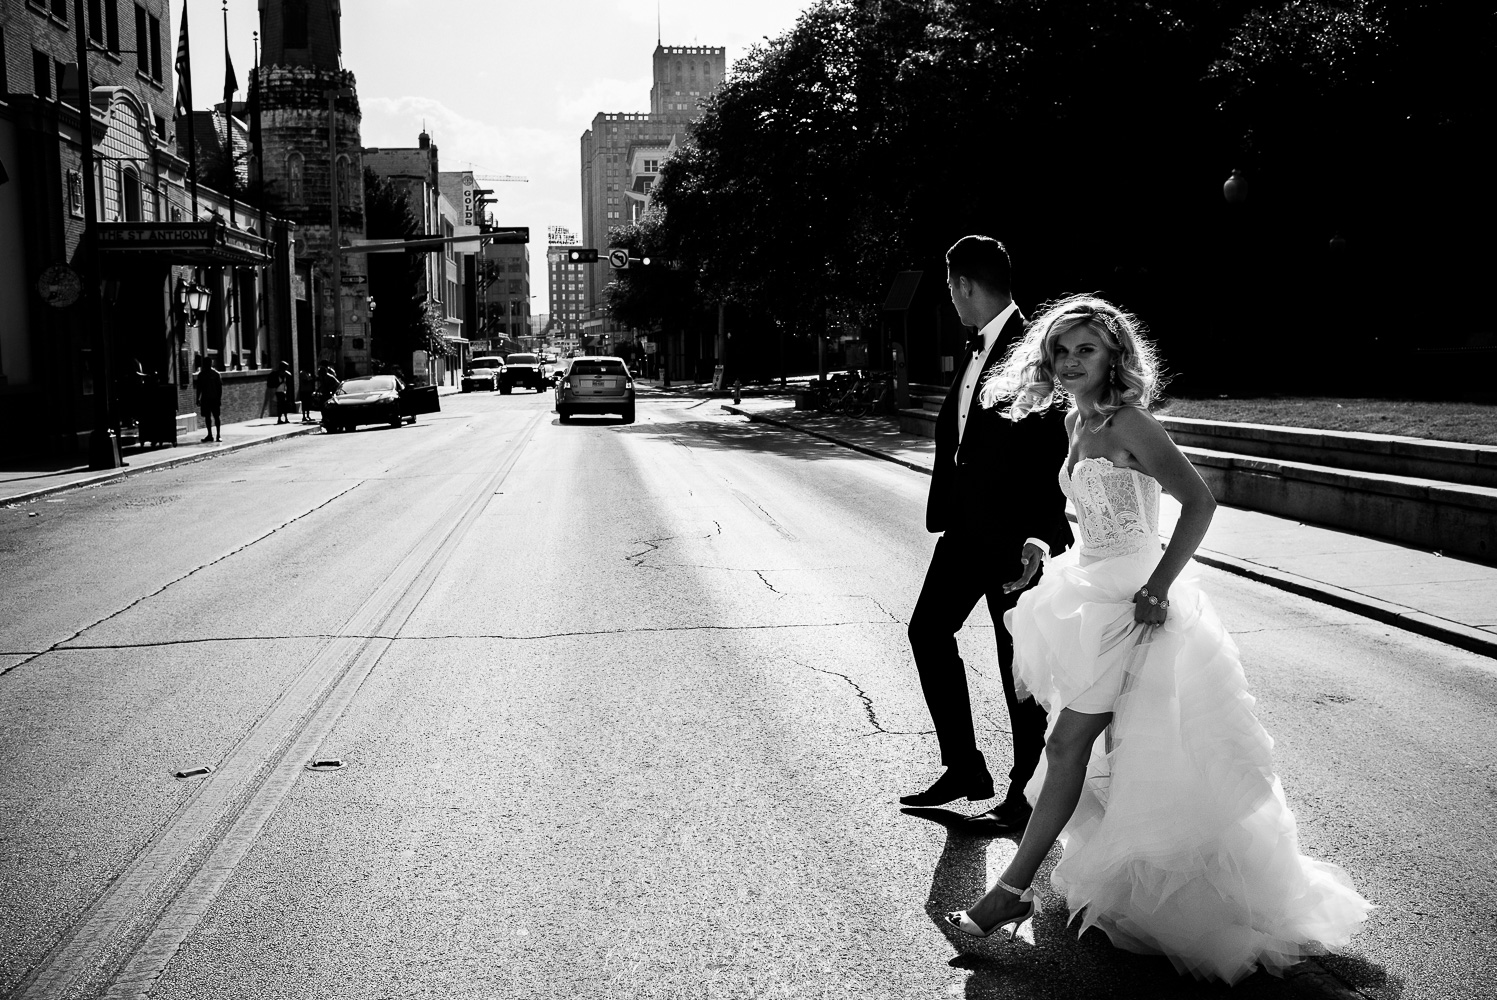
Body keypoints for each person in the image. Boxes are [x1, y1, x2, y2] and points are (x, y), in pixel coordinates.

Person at [942, 294, 1372, 983]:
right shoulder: (1077, 423)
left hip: (1136, 602)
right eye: (1060, 350)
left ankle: (1006, 895)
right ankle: (1148, 891)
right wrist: (1036, 546)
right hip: (1094, 589)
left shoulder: (1129, 422)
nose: (1070, 362)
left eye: (1085, 349)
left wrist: (1157, 588)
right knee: (1126, 755)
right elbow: (1094, 519)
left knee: (1066, 744)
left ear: (1114, 355)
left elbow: (1199, 502)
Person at [901, 235, 1072, 834]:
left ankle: (1025, 797)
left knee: (1018, 664)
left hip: (1016, 540)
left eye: (951, 290)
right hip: (966, 531)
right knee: (928, 631)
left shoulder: (1036, 348)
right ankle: (966, 767)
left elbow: (1060, 450)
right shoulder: (977, 347)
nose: (951, 301)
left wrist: (1040, 535)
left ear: (965, 287)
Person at [195, 356, 222, 443]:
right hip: (206, 399)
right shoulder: (201, 375)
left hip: (213, 399)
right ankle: (210, 435)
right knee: (208, 417)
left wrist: (219, 399)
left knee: (215, 417)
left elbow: (219, 388)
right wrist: (197, 398)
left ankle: (218, 435)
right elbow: (199, 388)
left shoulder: (216, 374)